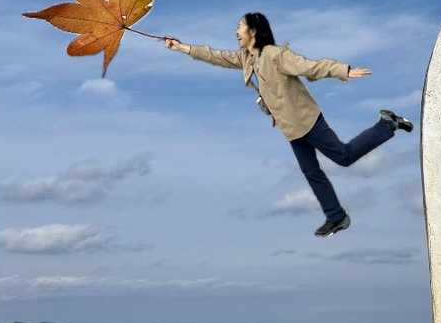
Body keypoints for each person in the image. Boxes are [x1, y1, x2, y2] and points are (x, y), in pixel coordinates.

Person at [165, 13, 412, 237]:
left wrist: (343, 71)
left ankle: (387, 124)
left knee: (344, 156)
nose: (236, 32)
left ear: (253, 31)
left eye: (239, 27)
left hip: (307, 120)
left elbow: (309, 66)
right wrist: (182, 47)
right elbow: (216, 56)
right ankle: (337, 217)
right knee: (311, 172)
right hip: (291, 128)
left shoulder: (275, 55)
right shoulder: (247, 58)